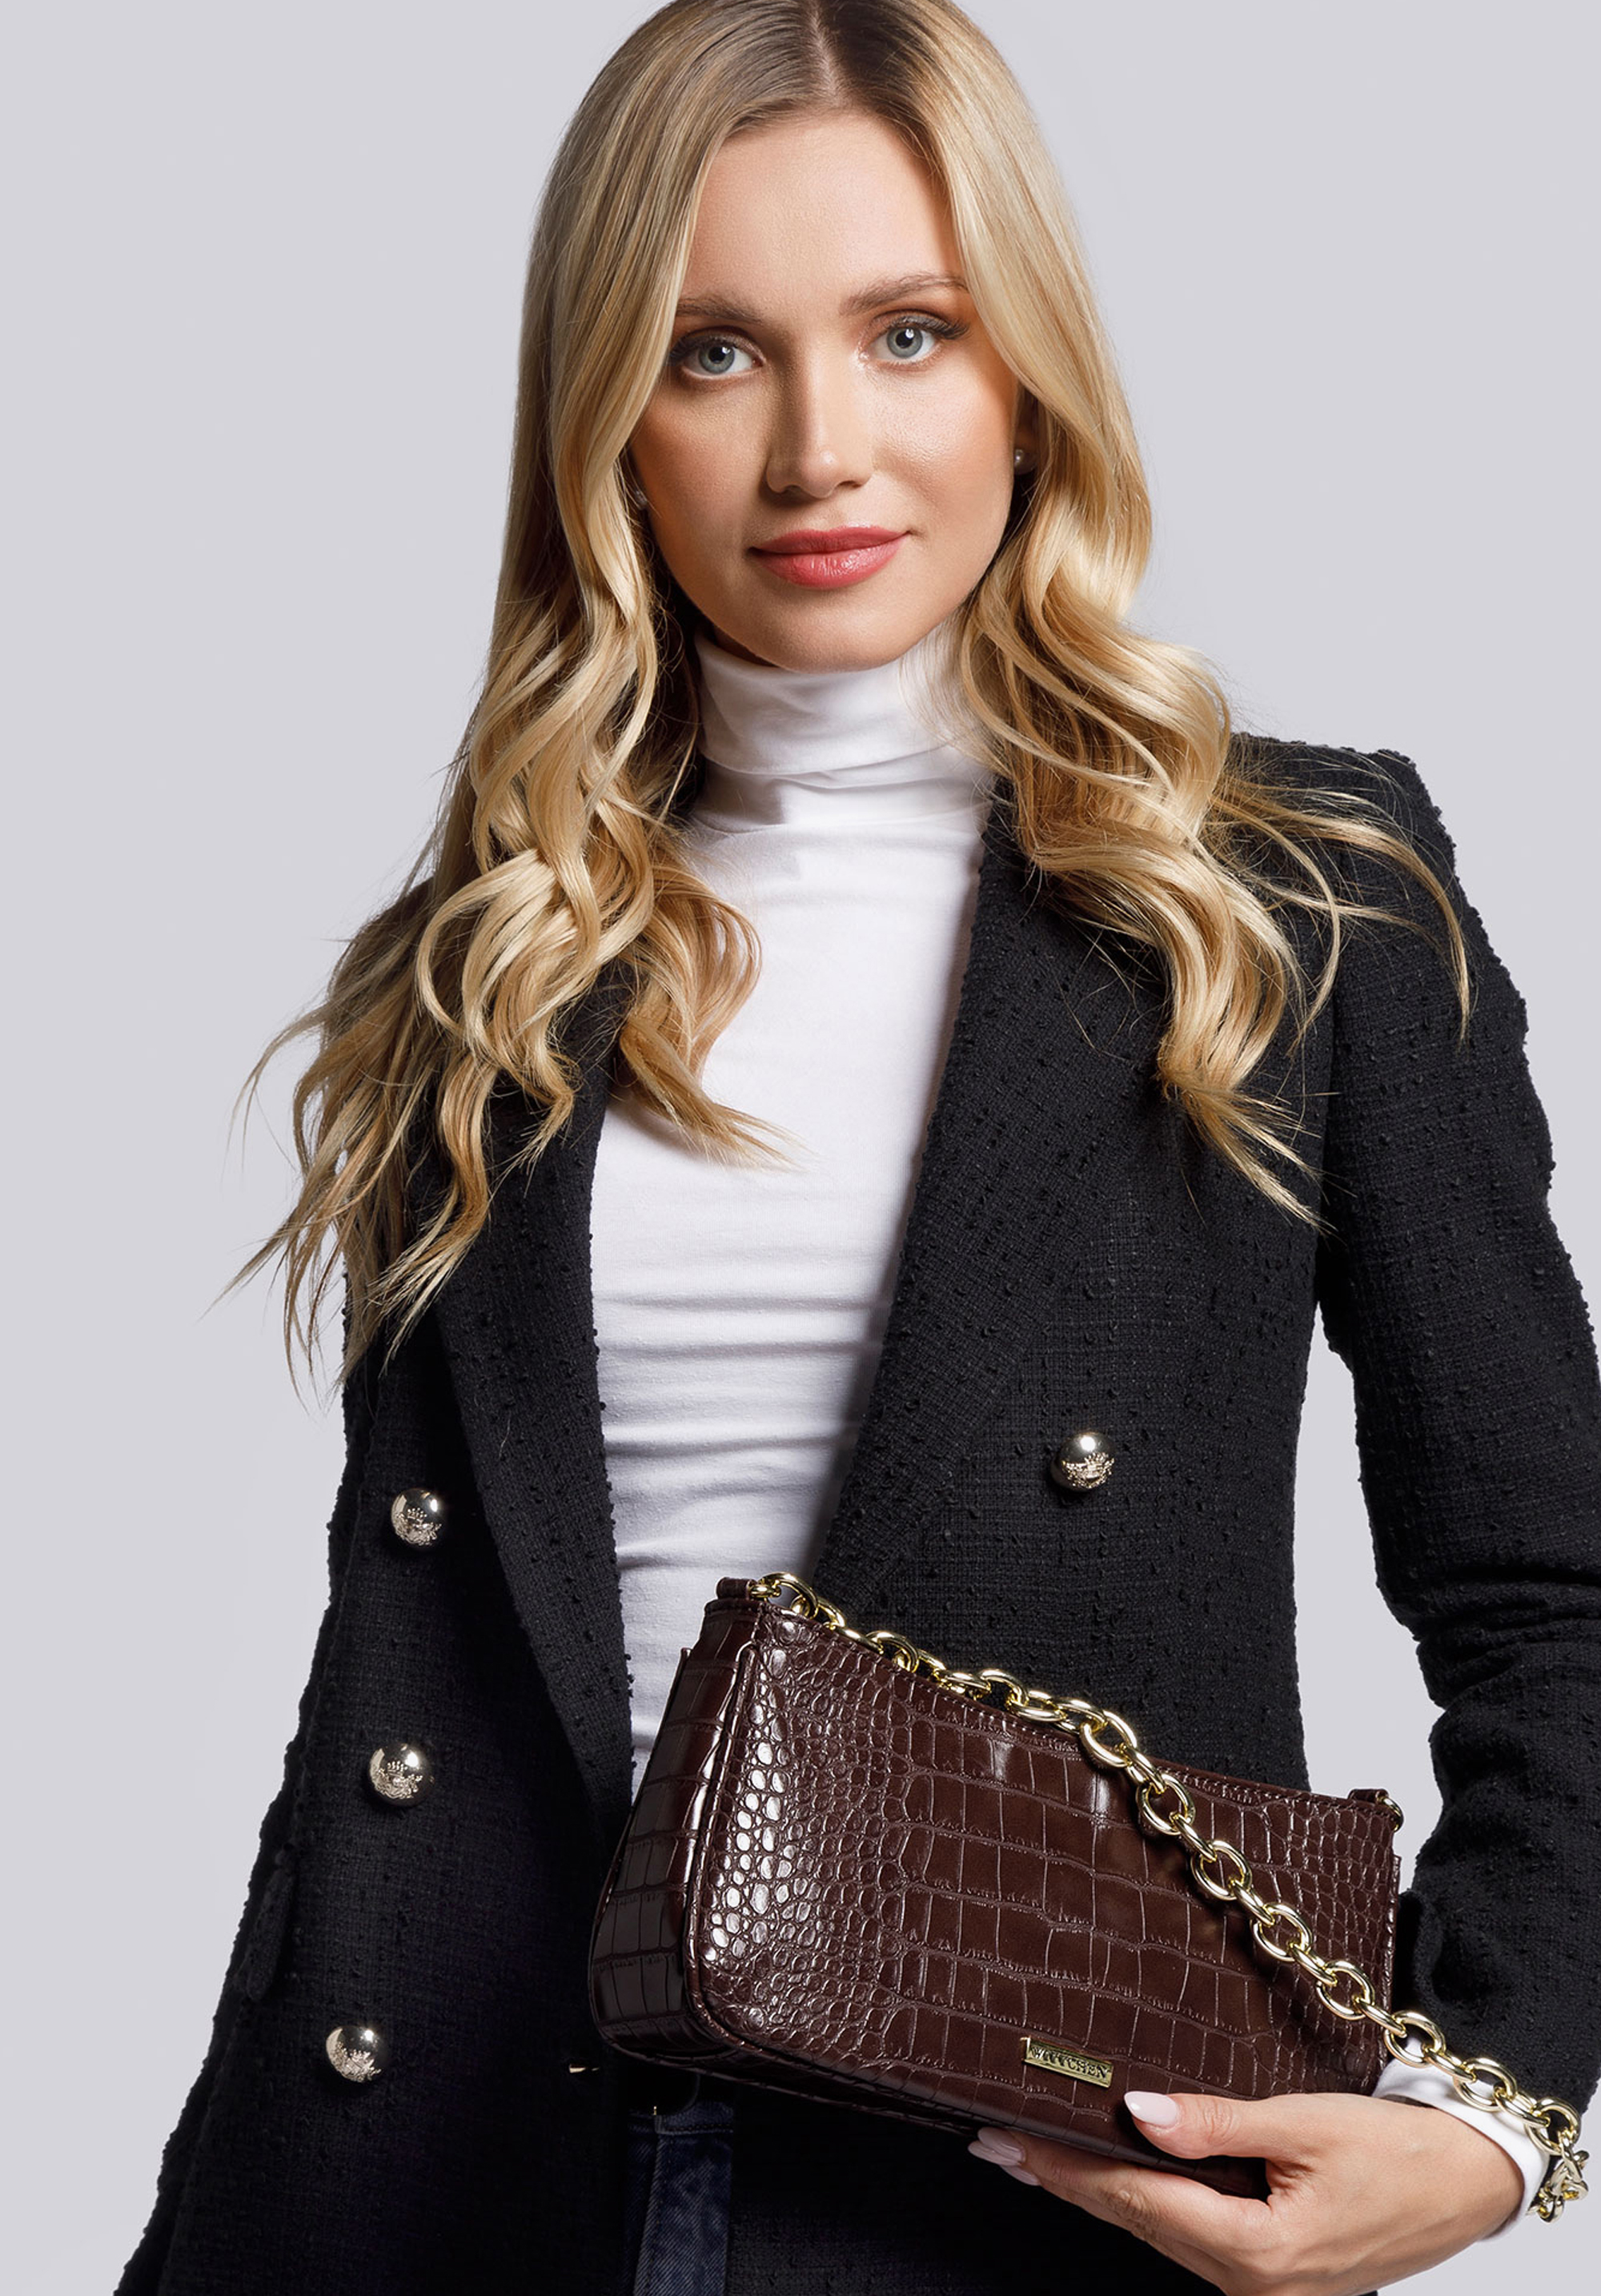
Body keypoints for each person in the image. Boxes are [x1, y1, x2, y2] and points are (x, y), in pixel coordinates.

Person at [115, 3, 1599, 2292]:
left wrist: (1491, 2110)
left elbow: (1553, 1590)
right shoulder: (493, 952)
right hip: (440, 2176)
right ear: (608, 421)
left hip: (1003, 2174)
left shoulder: (1297, 899)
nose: (823, 447)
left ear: (1029, 374)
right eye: (713, 352)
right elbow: (407, 1688)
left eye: (911, 332)